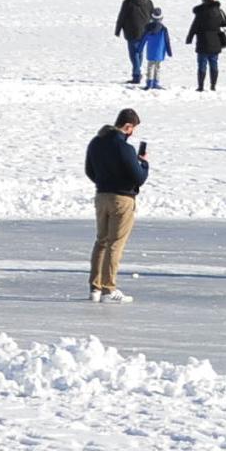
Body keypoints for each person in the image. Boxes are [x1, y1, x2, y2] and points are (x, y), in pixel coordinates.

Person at [85, 107, 149, 304]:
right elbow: (138, 177)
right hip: (122, 199)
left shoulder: (96, 142)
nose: (133, 133)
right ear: (128, 126)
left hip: (101, 196)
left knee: (101, 241)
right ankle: (108, 289)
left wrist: (103, 182)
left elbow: (89, 170)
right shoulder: (125, 148)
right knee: (115, 243)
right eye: (133, 129)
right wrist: (144, 164)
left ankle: (95, 288)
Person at [186, 0, 226, 92]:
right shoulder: (218, 11)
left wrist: (189, 38)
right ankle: (213, 85)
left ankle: (201, 86)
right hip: (215, 42)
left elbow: (194, 26)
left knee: (202, 64)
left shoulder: (200, 12)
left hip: (202, 42)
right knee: (214, 64)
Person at [114, 0, 155, 85]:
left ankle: (136, 75)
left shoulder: (128, 2)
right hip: (145, 31)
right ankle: (137, 72)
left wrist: (118, 30)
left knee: (134, 54)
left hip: (131, 31)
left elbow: (122, 16)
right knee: (139, 52)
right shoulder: (148, 2)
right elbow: (152, 16)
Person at [141, 7, 172, 90]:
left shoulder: (147, 28)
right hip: (160, 51)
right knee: (158, 67)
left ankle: (149, 83)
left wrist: (139, 49)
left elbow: (143, 39)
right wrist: (169, 52)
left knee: (150, 66)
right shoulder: (164, 29)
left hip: (151, 51)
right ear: (161, 18)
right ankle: (155, 82)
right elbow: (167, 41)